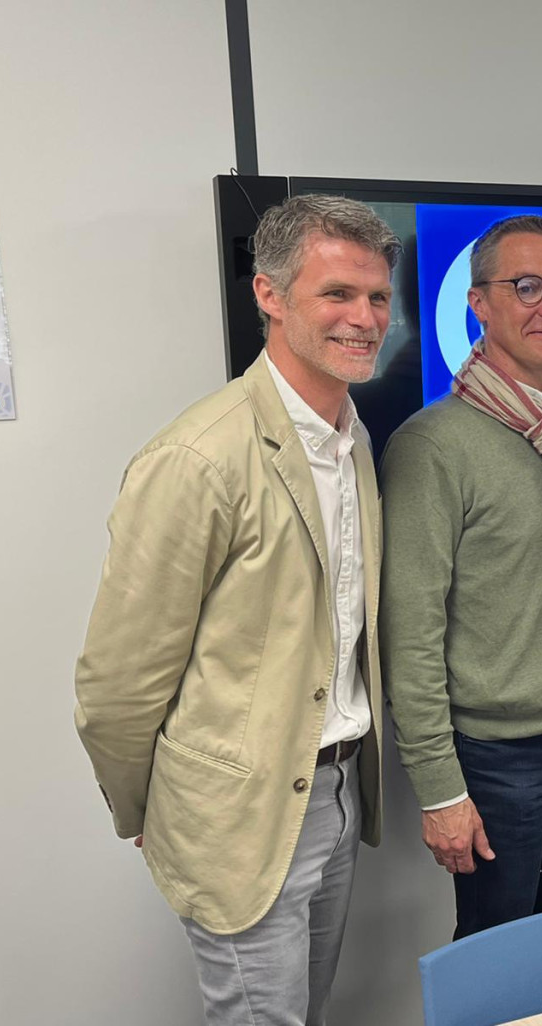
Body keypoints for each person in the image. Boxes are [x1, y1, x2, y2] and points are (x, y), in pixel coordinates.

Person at [74, 194, 399, 1023]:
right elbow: (117, 684)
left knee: (305, 1011)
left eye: (377, 298)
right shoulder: (198, 458)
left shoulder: (353, 440)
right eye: (337, 295)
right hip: (238, 816)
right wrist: (156, 812)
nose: (365, 319)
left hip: (334, 792)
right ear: (269, 295)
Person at [381, 213, 542, 939]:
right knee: (496, 966)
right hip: (499, 761)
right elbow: (410, 633)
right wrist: (440, 792)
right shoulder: (432, 447)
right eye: (526, 286)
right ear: (479, 302)